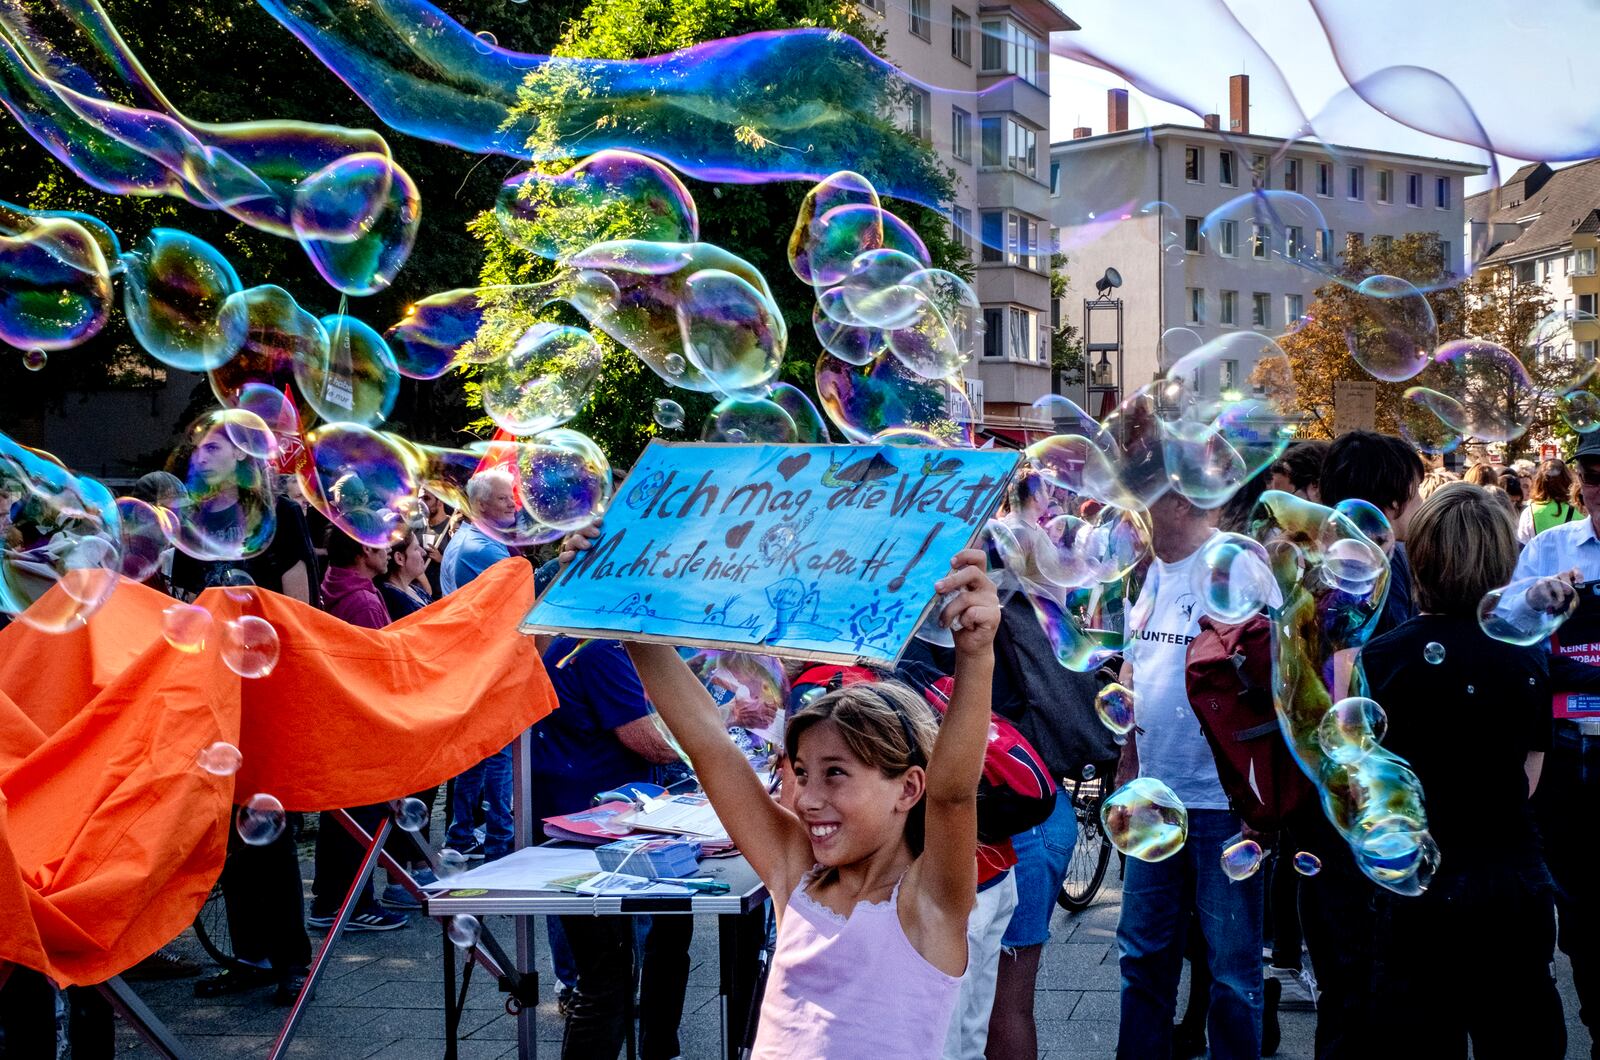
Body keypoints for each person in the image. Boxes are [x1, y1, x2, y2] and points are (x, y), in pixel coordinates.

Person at [623, 549, 1000, 1058]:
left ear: (909, 789)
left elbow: (953, 795)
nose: (807, 798)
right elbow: (709, 744)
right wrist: (623, 613)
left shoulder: (928, 903)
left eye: (835, 774)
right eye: (801, 773)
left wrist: (976, 657)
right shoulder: (796, 871)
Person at [1359, 482, 1565, 1056]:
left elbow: (1361, 769)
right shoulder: (1526, 655)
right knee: (1519, 1034)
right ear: (1502, 561)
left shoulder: (1384, 658)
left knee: (1418, 1035)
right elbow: (1530, 773)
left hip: (1419, 881)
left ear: (1419, 557)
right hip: (1511, 878)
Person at [1113, 489, 1263, 1060]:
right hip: (1154, 795)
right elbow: (1134, 663)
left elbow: (1270, 675)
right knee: (1142, 956)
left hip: (1222, 802)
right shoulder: (1151, 572)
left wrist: (1259, 800)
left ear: (1179, 499)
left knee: (1231, 967)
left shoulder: (1235, 564)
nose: (1135, 505)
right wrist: (1128, 759)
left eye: (1147, 493)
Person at [535, 635, 688, 1060]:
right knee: (609, 975)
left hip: (599, 817)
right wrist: (721, 723)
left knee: (665, 936)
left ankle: (660, 1047)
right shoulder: (601, 647)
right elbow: (649, 739)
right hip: (592, 825)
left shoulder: (599, 643)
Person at [1513, 433, 1600, 1055]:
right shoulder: (1551, 547)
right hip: (1566, 747)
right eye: (1593, 473)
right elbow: (1509, 631)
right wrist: (1537, 603)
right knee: (1578, 911)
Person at [306, 528, 409, 933]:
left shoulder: (335, 584)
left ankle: (329, 902)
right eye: (384, 543)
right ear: (365, 549)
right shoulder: (363, 601)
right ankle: (351, 904)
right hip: (362, 721)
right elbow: (378, 667)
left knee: (342, 816)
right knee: (362, 815)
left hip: (341, 717)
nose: (390, 551)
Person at [440, 469, 520, 861]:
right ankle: (500, 844)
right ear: (483, 504)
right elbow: (518, 606)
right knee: (499, 753)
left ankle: (460, 837)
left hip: (470, 663)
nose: (514, 504)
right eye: (506, 498)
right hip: (489, 665)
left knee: (476, 755)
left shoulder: (465, 539)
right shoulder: (485, 549)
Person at [1318, 430, 1424, 637]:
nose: (1422, 502)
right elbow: (1393, 648)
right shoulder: (1381, 567)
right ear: (1395, 499)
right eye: (1417, 490)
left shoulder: (1329, 559)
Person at [1518, 459, 1582, 544]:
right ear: (1567, 481)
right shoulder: (1579, 511)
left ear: (1539, 483)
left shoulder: (1529, 512)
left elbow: (1523, 546)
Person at [379, 529, 433, 621]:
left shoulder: (412, 588)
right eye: (416, 548)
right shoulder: (394, 600)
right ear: (399, 558)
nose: (423, 552)